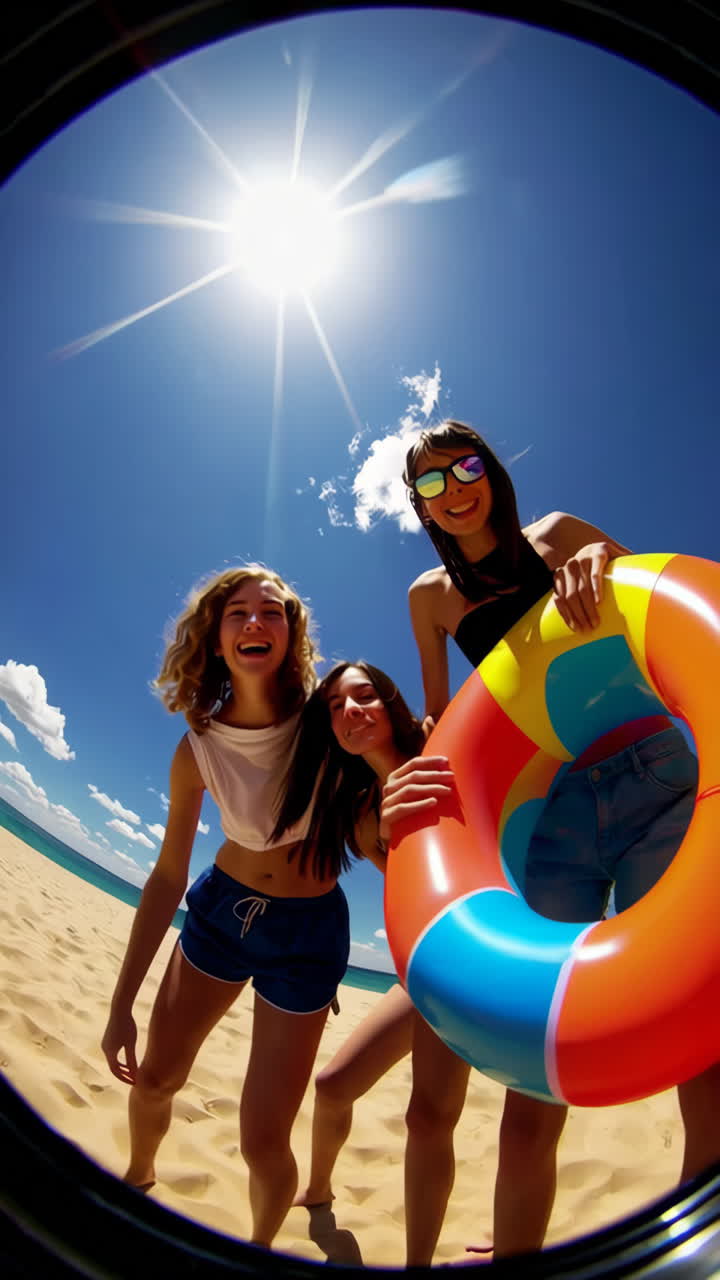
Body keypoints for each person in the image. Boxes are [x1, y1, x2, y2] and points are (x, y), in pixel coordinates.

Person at [380, 419, 720, 1258]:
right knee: (536, 1075)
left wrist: (602, 561)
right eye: (429, 482)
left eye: (464, 468)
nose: (453, 489)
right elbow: (440, 726)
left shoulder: (558, 535)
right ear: (418, 504)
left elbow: (652, 626)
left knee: (698, 1025)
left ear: (488, 469)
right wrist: (405, 780)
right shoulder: (429, 600)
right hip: (556, 810)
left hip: (655, 774)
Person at [101, 565, 351, 1250]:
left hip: (308, 937)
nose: (254, 624)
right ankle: (139, 1180)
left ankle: (258, 1253)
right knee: (154, 1080)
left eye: (271, 612)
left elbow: (388, 778)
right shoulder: (197, 747)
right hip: (219, 913)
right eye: (237, 613)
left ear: (290, 633)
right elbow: (165, 877)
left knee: (263, 1140)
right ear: (215, 638)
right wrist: (122, 1001)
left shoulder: (327, 720)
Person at [274, 661, 474, 1267]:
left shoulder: (445, 745)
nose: (350, 711)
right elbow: (410, 895)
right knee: (333, 1086)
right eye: (335, 705)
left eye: (364, 696)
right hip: (427, 967)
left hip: (482, 959)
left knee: (428, 1117)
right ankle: (317, 1187)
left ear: (390, 704)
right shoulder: (362, 816)